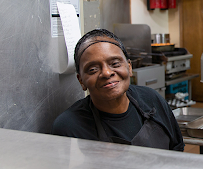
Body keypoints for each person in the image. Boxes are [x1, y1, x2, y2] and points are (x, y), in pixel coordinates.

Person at [52, 29, 184, 152]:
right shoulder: (68, 126)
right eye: (93, 69)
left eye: (115, 64)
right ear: (81, 80)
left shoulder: (152, 99)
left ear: (129, 67)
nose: (107, 73)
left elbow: (176, 152)